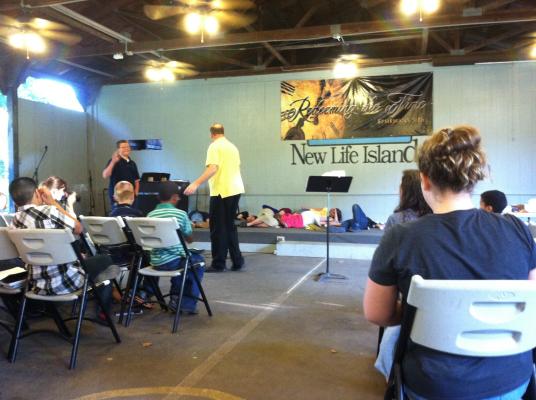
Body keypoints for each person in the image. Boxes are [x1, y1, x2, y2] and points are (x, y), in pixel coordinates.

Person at [364, 126, 536, 400]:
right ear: (473, 178)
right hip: (511, 380)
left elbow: (377, 314)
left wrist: (423, 314)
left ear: (425, 180)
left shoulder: (401, 237)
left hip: (433, 385)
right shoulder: (518, 230)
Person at [9, 178, 119, 321]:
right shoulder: (49, 211)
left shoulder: (14, 222)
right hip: (67, 281)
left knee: (100, 268)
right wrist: (53, 203)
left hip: (37, 285)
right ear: (37, 192)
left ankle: (101, 291)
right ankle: (104, 309)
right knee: (106, 261)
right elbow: (78, 228)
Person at [374, 169, 432, 378]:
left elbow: (376, 311)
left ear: (406, 190)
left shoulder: (397, 221)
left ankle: (390, 366)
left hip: (406, 291)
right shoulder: (437, 219)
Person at [184, 123, 245, 272]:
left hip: (221, 191)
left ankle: (218, 264)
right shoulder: (232, 147)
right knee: (229, 226)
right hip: (235, 189)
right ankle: (237, 260)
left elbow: (213, 168)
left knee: (217, 229)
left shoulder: (214, 146)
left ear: (212, 134)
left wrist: (196, 183)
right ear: (223, 132)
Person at [147, 181, 205, 314]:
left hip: (155, 262)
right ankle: (186, 304)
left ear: (158, 197)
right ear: (174, 197)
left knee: (184, 260)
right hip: (173, 262)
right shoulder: (181, 214)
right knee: (197, 262)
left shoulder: (150, 215)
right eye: (178, 196)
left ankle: (175, 297)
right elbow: (189, 239)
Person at [102, 140, 140, 209]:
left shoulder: (132, 163)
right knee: (119, 214)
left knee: (132, 214)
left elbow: (136, 180)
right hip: (117, 197)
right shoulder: (113, 161)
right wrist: (113, 162)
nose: (126, 149)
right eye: (123, 147)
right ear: (118, 149)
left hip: (131, 197)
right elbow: (105, 175)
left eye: (128, 147)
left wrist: (136, 193)